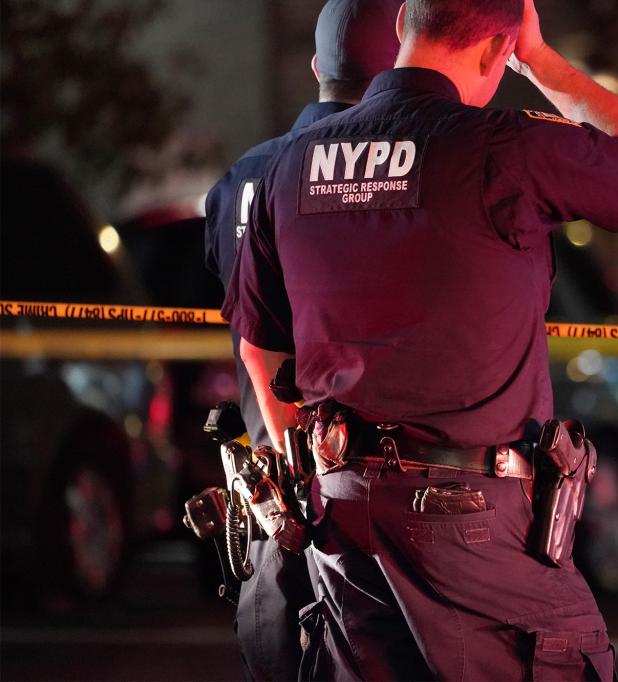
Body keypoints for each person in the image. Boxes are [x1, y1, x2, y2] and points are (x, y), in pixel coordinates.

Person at [223, 0, 618, 678]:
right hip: (470, 518)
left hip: (341, 516)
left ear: (405, 20)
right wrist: (542, 60)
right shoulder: (504, 146)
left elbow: (261, 343)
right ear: (496, 49)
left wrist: (310, 474)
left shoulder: (290, 165)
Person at [203, 1, 402, 679]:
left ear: (318, 66)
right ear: (399, 68)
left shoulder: (242, 178)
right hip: (367, 513)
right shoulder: (390, 173)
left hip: (269, 510)